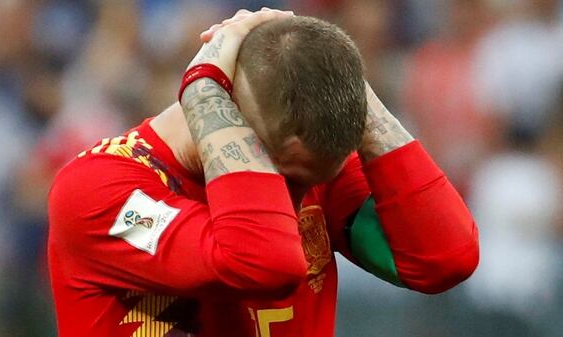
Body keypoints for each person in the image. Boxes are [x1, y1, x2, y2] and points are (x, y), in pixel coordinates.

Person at [48, 9, 479, 337]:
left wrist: (334, 71)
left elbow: (445, 259)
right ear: (226, 110)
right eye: (288, 179)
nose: (295, 197)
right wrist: (202, 86)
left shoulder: (308, 166)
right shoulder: (101, 191)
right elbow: (261, 262)